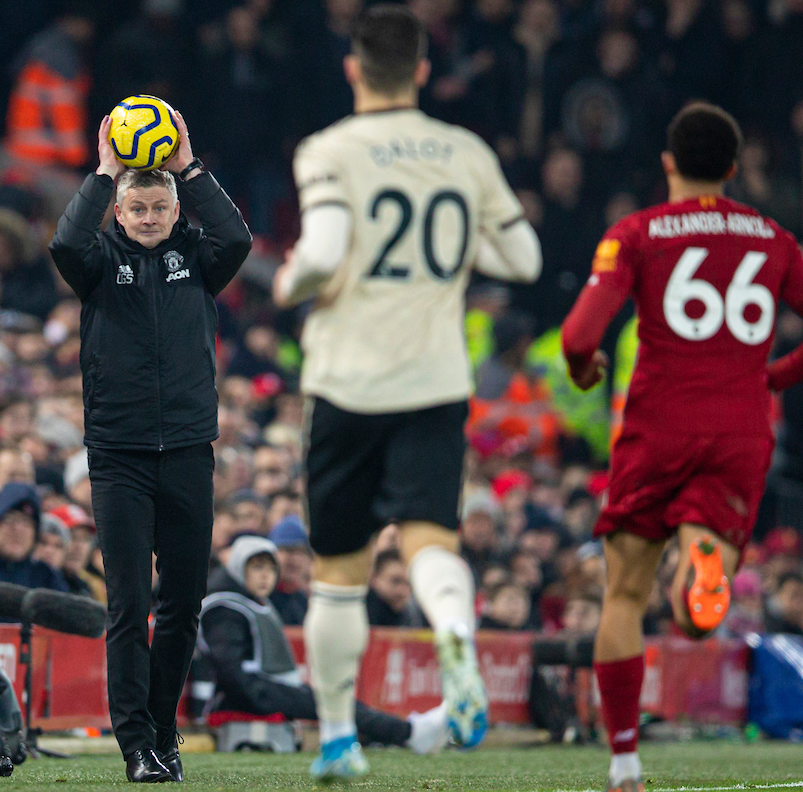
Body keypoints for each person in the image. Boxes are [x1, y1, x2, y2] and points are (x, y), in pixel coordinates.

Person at [271, 4, 542, 780]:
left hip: (348, 382)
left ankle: (335, 740)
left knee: (340, 572)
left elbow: (322, 253)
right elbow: (522, 257)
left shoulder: (330, 149)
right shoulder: (464, 150)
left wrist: (293, 279)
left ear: (353, 68)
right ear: (423, 70)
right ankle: (454, 629)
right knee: (430, 539)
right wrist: (462, 246)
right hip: (434, 381)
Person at [560, 102, 803, 792]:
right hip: (739, 431)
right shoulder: (774, 238)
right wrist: (773, 377)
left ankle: (626, 764)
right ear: (731, 170)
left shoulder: (639, 233)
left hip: (658, 428)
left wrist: (583, 371)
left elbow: (580, 338)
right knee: (699, 618)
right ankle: (703, 559)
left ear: (669, 162)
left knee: (625, 597)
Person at [48, 105, 251, 783]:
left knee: (183, 602)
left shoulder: (196, 259)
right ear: (120, 209)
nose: (147, 218)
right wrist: (103, 174)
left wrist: (189, 166)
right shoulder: (100, 262)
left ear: (172, 208)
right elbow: (64, 245)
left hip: (190, 450)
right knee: (129, 603)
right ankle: (135, 744)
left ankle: (164, 732)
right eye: (135, 207)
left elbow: (237, 237)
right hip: (118, 456)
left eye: (158, 207)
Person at [196, 536, 447, 753]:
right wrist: (271, 696)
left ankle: (404, 731)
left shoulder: (250, 601)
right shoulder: (226, 607)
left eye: (270, 569)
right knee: (330, 702)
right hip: (246, 697)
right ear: (239, 567)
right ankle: (410, 733)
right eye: (256, 568)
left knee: (336, 701)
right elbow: (231, 672)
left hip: (262, 690)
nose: (265, 576)